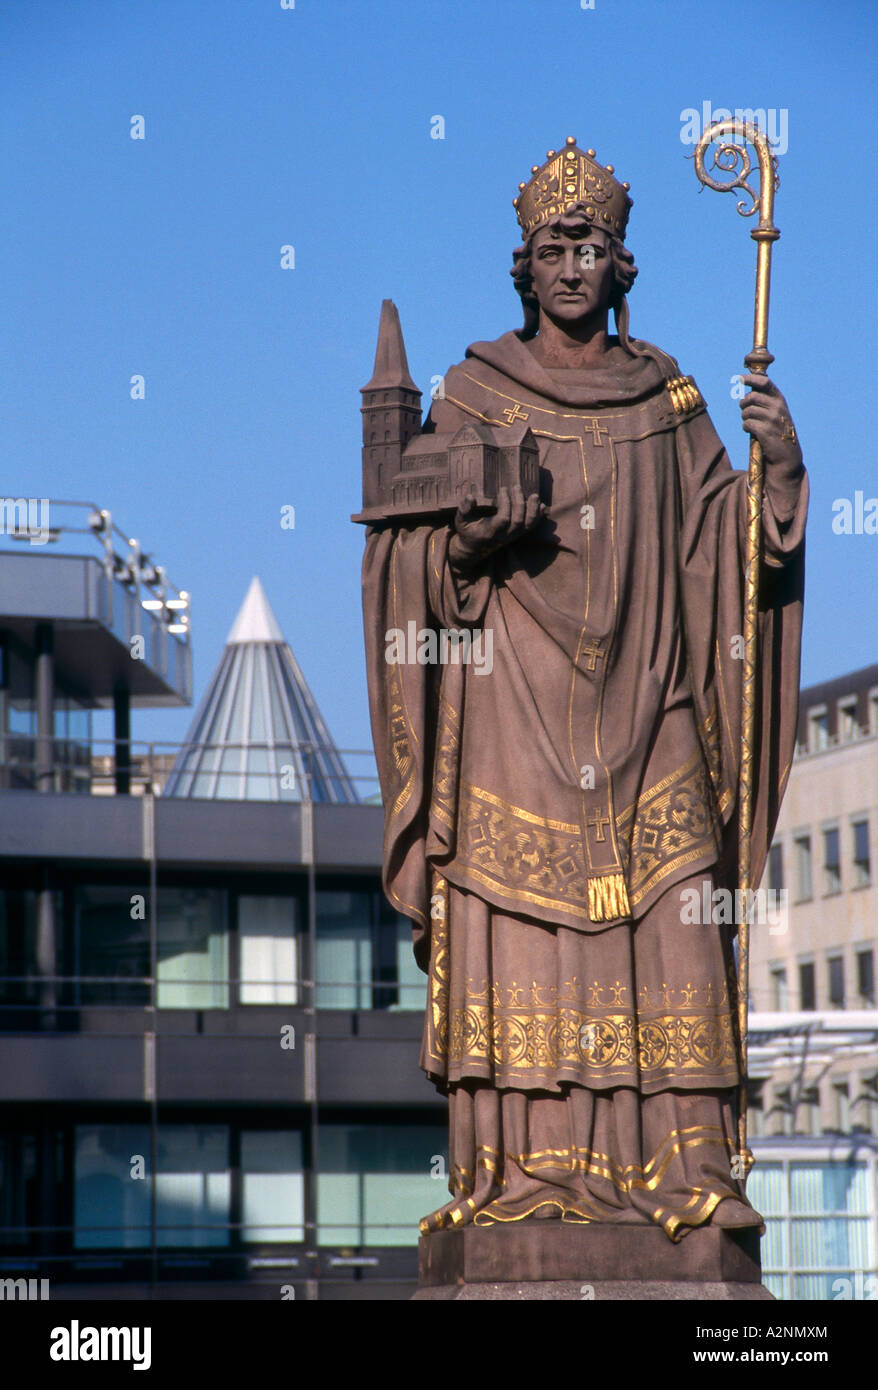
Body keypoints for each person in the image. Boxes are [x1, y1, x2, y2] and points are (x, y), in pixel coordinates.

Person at [361, 137, 807, 1238]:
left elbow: (727, 553)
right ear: (522, 266)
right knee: (524, 929)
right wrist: (462, 552)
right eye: (554, 247)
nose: (572, 265)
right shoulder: (468, 394)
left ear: (621, 269)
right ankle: (525, 1178)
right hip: (511, 707)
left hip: (652, 710)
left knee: (673, 918)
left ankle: (688, 1171)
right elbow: (399, 549)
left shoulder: (669, 397)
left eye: (592, 247)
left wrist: (778, 472)